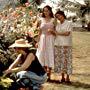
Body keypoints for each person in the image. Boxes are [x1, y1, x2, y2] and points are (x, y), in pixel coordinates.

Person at [36, 5, 56, 81]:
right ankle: (44, 74)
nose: (45, 12)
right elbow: (39, 32)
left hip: (51, 39)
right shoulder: (41, 19)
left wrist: (52, 32)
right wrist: (37, 42)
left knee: (49, 54)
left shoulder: (53, 20)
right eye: (44, 10)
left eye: (47, 10)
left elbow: (56, 32)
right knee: (42, 55)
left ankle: (49, 74)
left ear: (50, 11)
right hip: (42, 39)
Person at [54, 10, 73, 83]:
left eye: (59, 15)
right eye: (56, 16)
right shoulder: (57, 24)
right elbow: (55, 32)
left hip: (66, 44)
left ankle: (67, 77)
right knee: (60, 61)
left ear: (63, 15)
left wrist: (57, 33)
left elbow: (67, 33)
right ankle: (62, 77)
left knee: (67, 61)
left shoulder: (68, 23)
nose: (58, 17)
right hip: (58, 44)